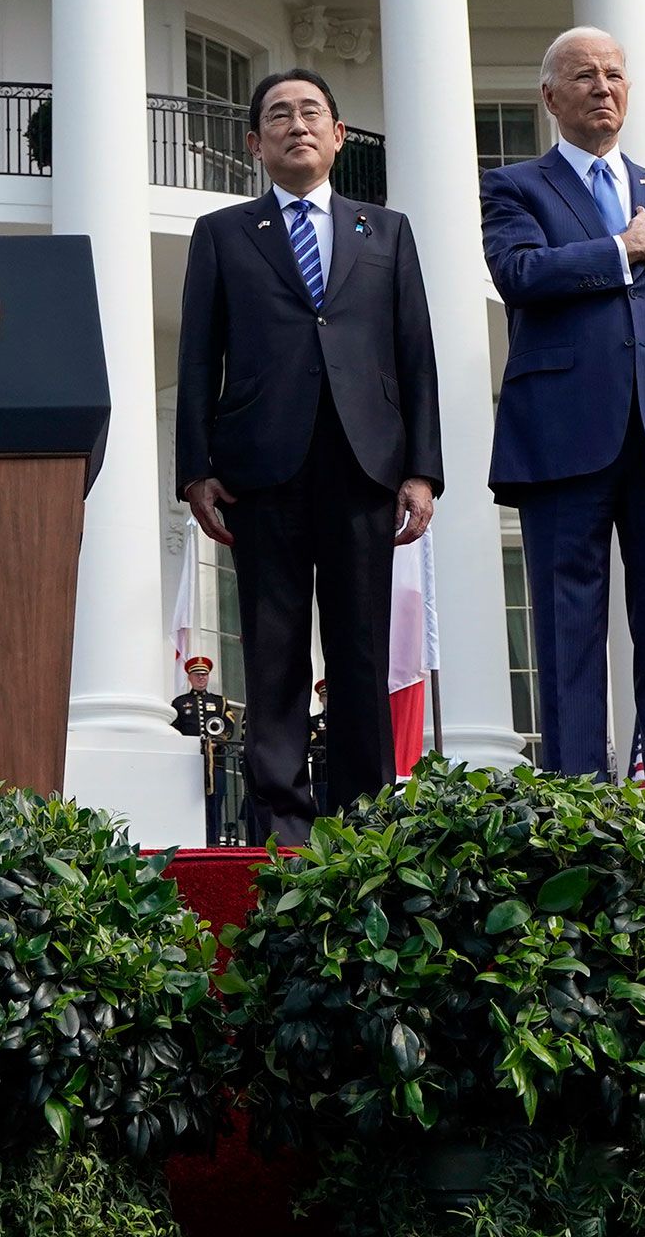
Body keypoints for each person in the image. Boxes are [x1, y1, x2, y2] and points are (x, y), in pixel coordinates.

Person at [176, 67, 443, 846]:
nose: (297, 125)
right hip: (262, 469)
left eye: (312, 113)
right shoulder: (223, 234)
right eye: (278, 116)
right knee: (273, 651)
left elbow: (415, 354)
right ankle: (283, 829)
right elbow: (199, 357)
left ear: (339, 136)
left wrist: (421, 469)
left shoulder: (385, 231)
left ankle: (366, 822)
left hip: (366, 466)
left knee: (361, 651)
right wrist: (195, 468)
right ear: (256, 144)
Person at [481, 27, 645, 810]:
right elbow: (517, 275)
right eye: (585, 76)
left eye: (616, 75)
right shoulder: (516, 187)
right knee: (567, 641)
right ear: (550, 96)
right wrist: (620, 248)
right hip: (562, 442)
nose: (604, 87)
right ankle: (576, 813)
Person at [168, 656, 247, 847]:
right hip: (189, 763)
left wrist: (218, 741)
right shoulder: (179, 703)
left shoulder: (220, 702)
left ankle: (213, 842)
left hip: (215, 762)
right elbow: (174, 729)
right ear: (190, 678)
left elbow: (229, 725)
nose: (201, 678)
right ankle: (189, 842)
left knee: (215, 803)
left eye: (204, 674)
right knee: (189, 803)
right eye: (197, 675)